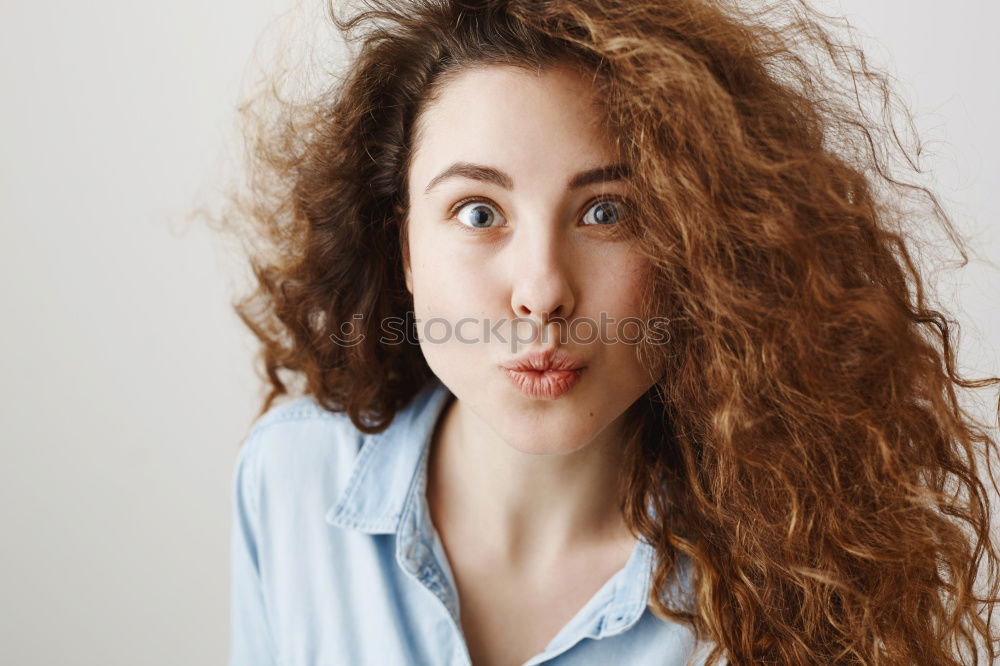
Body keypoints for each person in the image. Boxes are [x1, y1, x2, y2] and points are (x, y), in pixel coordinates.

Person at [217, 0, 1000, 664]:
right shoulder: (290, 481)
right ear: (405, 251)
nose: (543, 292)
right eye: (479, 213)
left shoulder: (797, 575)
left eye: (607, 212)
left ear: (700, 246)